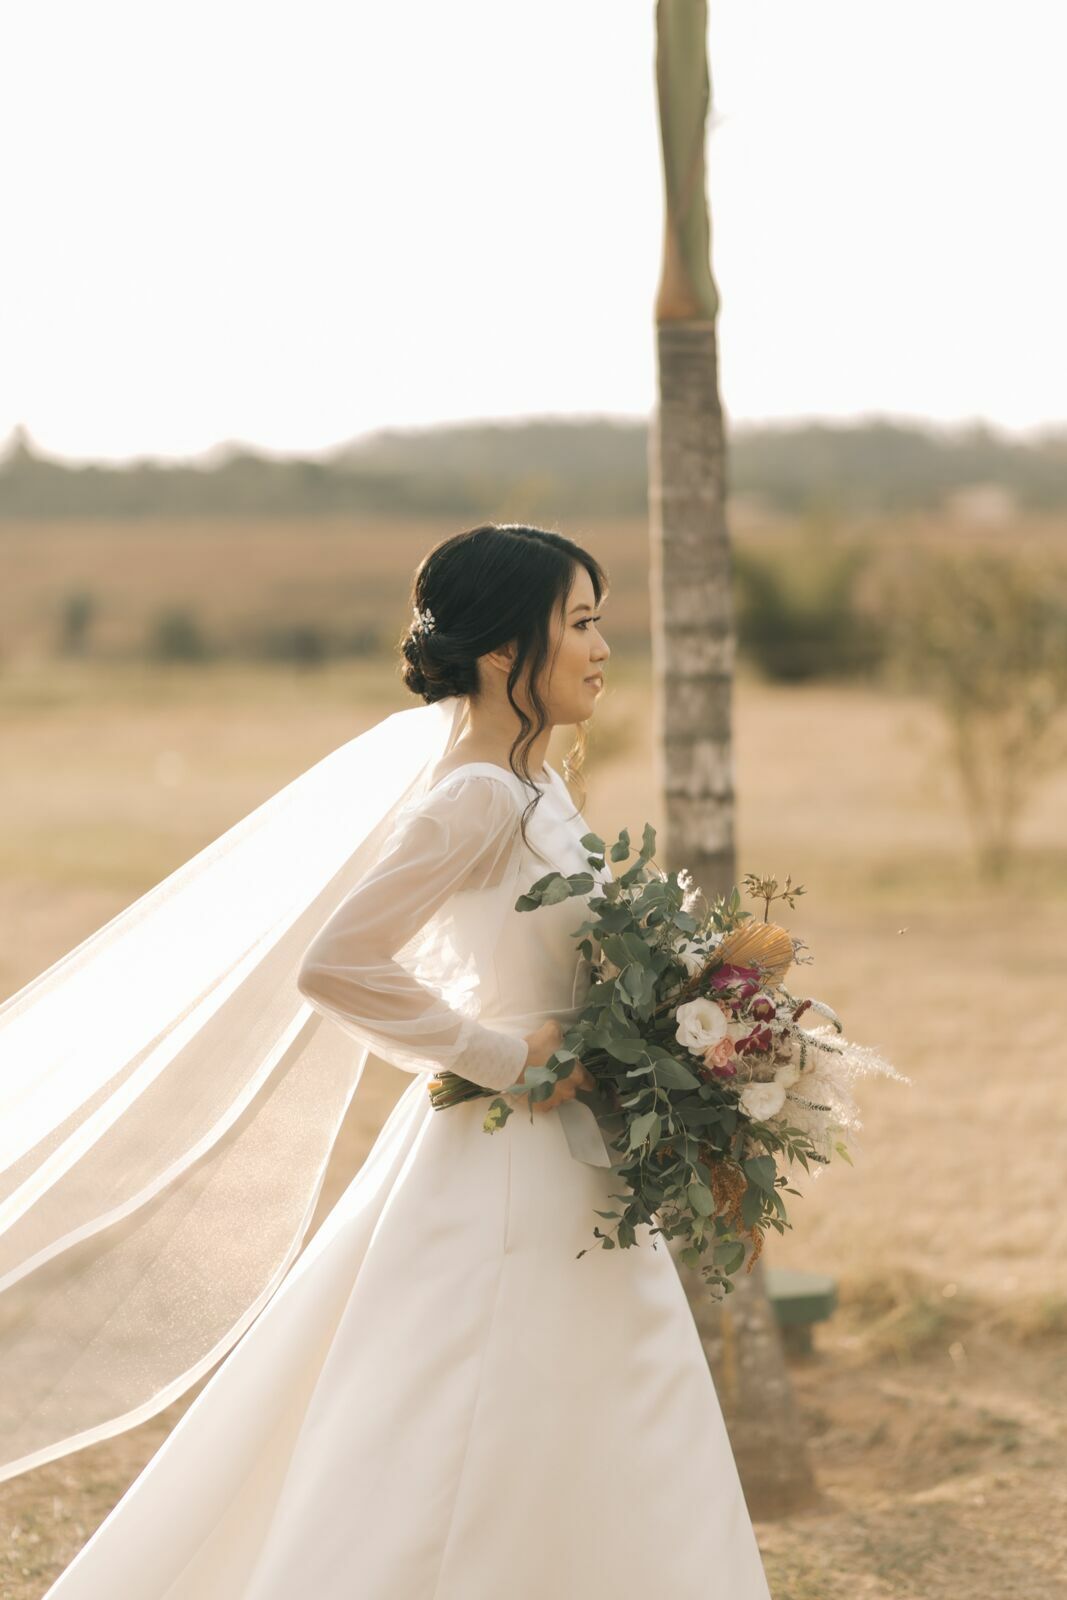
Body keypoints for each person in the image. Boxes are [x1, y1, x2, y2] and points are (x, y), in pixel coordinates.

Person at [31, 522, 772, 1597]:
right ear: (501, 651)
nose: (602, 646)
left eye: (597, 620)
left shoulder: (536, 785)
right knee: (476, 1410)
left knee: (601, 1395)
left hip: (575, 1155)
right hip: (506, 1160)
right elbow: (337, 964)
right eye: (579, 623)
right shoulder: (475, 795)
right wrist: (502, 1055)